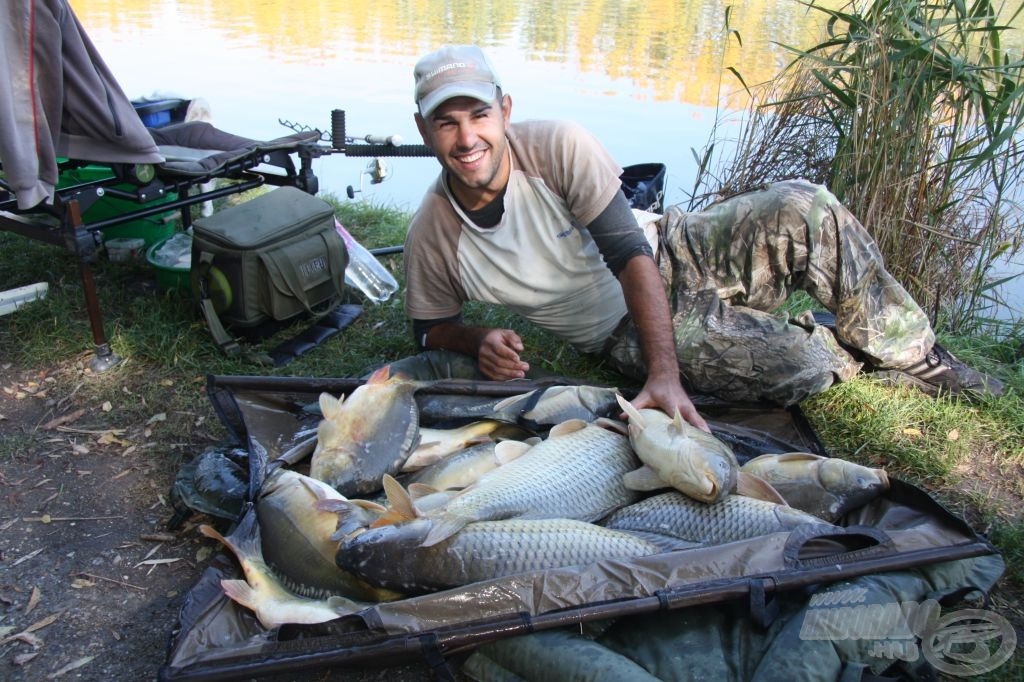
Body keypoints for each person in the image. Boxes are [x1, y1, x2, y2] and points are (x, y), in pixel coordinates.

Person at [402, 44, 1002, 430]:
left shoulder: (557, 144)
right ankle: (829, 340)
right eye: (446, 122)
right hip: (618, 325)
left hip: (670, 246)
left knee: (804, 206)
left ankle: (917, 355)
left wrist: (664, 377)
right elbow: (429, 328)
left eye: (478, 115)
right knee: (792, 366)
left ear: (504, 110)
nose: (467, 139)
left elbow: (631, 252)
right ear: (423, 130)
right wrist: (475, 336)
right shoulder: (431, 233)